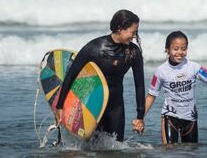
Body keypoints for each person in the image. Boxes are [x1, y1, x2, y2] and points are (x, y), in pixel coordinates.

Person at [55, 9, 145, 142]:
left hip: (116, 107)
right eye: (132, 31)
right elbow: (71, 76)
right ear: (120, 28)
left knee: (117, 149)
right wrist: (60, 107)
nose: (134, 35)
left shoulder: (133, 52)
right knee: (91, 149)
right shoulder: (94, 48)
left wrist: (140, 116)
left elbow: (140, 85)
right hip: (92, 106)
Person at [141, 31, 207, 145]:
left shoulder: (194, 67)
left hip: (190, 118)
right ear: (167, 49)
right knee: (169, 152)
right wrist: (140, 117)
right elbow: (151, 96)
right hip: (170, 117)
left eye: (183, 48)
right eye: (176, 48)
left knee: (191, 152)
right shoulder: (160, 71)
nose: (180, 52)